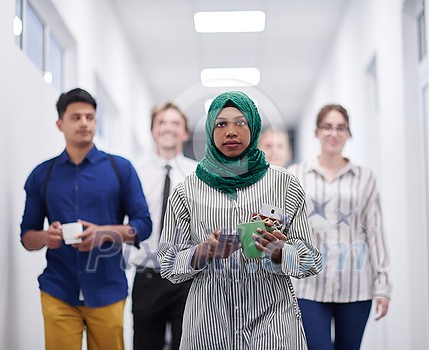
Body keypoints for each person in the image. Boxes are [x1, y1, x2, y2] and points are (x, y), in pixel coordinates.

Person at [157, 91, 323, 349]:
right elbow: (167, 263)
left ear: (254, 126)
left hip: (272, 323)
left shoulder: (284, 184)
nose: (231, 131)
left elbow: (311, 261)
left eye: (240, 122)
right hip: (209, 326)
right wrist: (203, 251)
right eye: (221, 124)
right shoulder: (187, 191)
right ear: (210, 131)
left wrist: (280, 252)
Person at [19, 88, 152, 350]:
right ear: (60, 124)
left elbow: (143, 225)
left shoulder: (121, 169)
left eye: (90, 117)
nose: (84, 123)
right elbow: (27, 237)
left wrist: (106, 233)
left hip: (108, 290)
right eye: (76, 117)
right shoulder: (42, 175)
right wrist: (48, 237)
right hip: (58, 291)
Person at [288, 104, 391, 350]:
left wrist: (383, 285)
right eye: (327, 127)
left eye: (340, 128)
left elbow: (375, 231)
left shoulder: (364, 177)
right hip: (309, 285)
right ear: (316, 132)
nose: (333, 133)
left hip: (356, 285)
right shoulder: (297, 175)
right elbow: (286, 227)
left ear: (348, 133)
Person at [130, 102, 197, 350]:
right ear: (152, 131)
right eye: (162, 122)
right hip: (147, 275)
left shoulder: (199, 174)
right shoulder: (135, 172)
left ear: (185, 133)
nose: (168, 128)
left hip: (187, 278)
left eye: (175, 123)